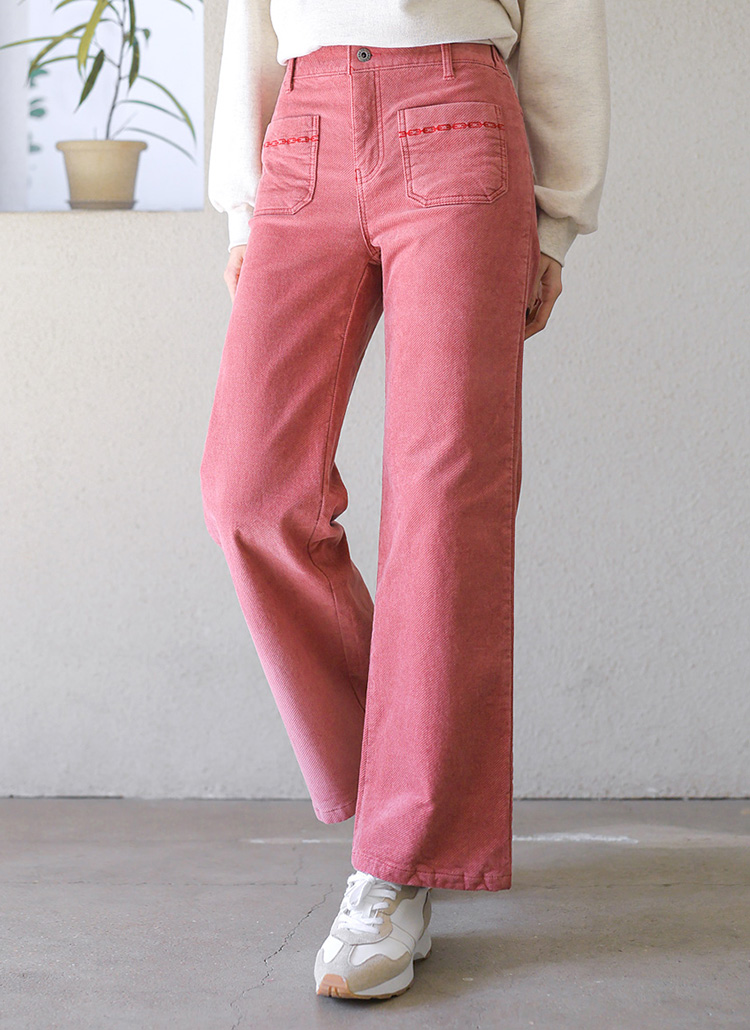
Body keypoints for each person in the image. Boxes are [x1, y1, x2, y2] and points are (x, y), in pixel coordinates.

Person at [201, 0, 610, 1002]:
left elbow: (563, 16)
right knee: (249, 491)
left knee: (443, 503)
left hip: (457, 111)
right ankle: (410, 783)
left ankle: (398, 860)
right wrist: (247, 205)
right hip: (302, 128)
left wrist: (557, 216)